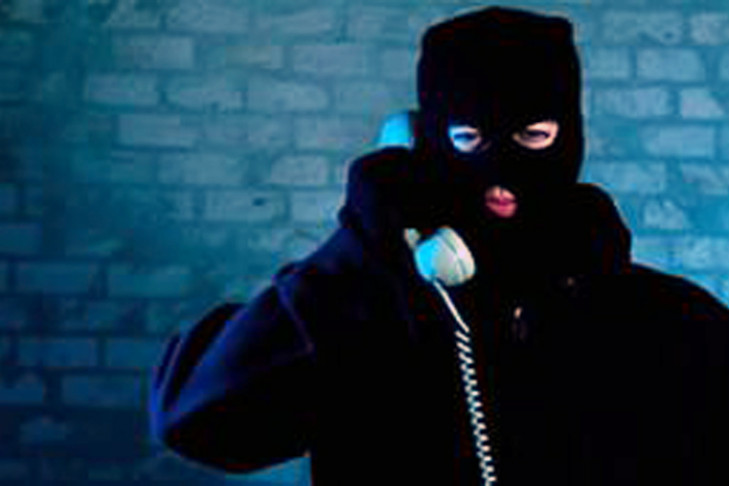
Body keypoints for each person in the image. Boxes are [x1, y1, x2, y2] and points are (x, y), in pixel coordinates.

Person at [148, 6, 729, 486]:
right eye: (468, 138)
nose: (501, 172)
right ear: (425, 145)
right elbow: (194, 420)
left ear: (569, 136)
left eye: (533, 136)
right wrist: (362, 251)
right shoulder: (363, 315)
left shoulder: (671, 321)